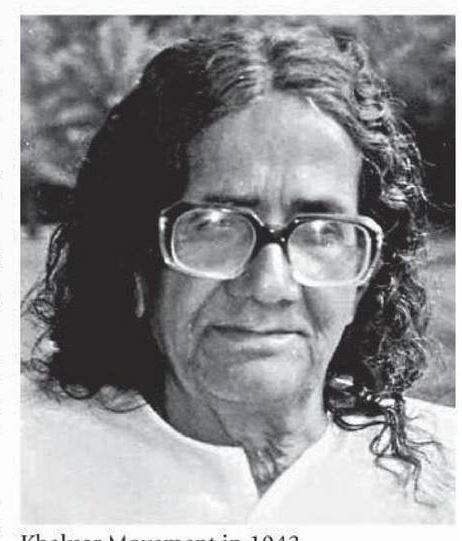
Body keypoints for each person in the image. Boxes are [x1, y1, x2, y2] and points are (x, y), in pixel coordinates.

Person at [22, 23, 454, 524]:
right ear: (137, 261)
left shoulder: (445, 482)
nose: (269, 286)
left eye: (322, 232)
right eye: (215, 226)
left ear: (364, 279)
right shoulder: (27, 465)